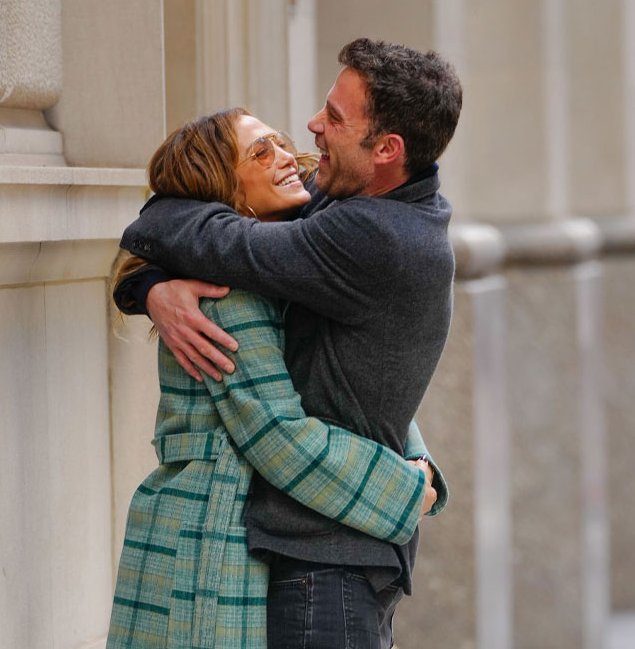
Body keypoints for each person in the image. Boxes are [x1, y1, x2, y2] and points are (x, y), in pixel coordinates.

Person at [116, 38, 462, 648]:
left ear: (387, 149)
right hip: (320, 550)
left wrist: (413, 486)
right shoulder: (357, 194)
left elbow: (278, 431)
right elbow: (171, 211)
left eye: (335, 118)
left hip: (324, 565)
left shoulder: (370, 234)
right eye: (264, 148)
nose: (311, 128)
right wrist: (149, 288)